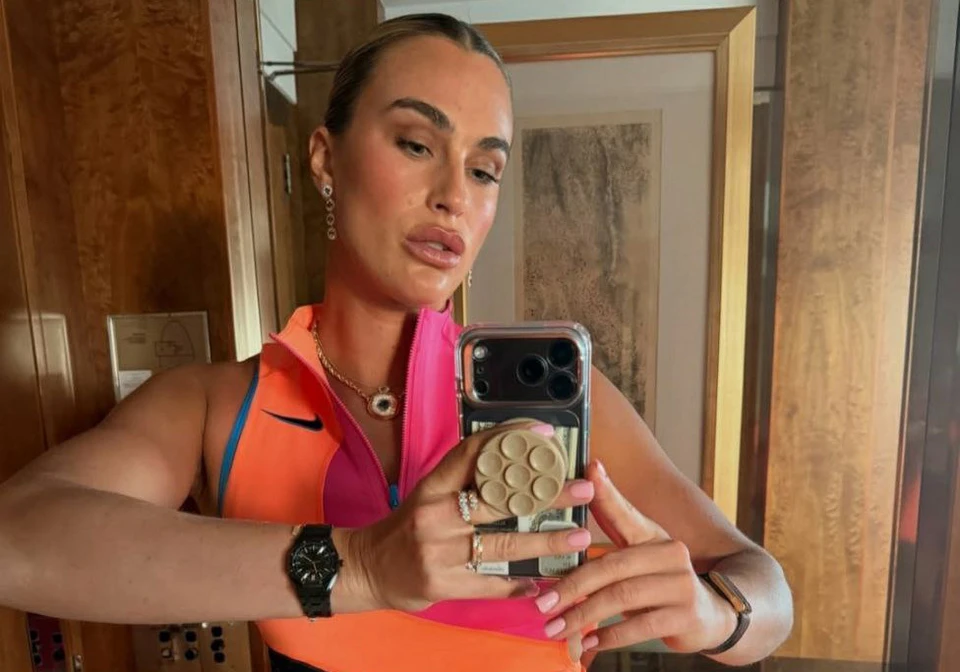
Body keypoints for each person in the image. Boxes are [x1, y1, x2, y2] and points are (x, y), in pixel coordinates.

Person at [0, 13, 793, 672]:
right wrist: (362, 566)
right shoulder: (215, 406)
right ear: (325, 159)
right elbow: (18, 537)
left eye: (484, 171)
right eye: (416, 144)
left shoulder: (568, 408)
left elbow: (766, 589)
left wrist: (713, 614)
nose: (453, 197)